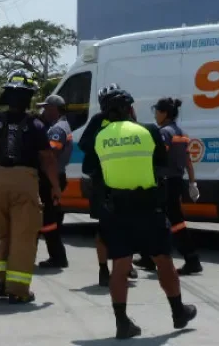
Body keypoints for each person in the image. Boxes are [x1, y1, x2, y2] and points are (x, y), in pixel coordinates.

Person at [94, 86, 198, 339]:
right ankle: (178, 312)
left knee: (120, 265)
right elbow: (162, 164)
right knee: (163, 259)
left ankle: (121, 322)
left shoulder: (101, 137)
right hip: (148, 207)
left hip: (117, 208)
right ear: (129, 108)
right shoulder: (149, 131)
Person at [0, 70, 63, 304]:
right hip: (25, 181)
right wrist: (55, 187)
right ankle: (18, 290)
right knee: (23, 236)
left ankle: (0, 283)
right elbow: (48, 159)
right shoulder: (36, 125)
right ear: (28, 99)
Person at [134, 97, 203, 275]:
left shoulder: (164, 133)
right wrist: (192, 182)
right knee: (165, 219)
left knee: (161, 219)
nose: (156, 115)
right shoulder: (182, 133)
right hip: (176, 181)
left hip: (164, 182)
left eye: (157, 111)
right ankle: (149, 258)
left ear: (164, 113)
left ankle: (191, 258)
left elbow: (157, 156)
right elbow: (188, 161)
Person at [78, 84, 138, 287]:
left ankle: (120, 267)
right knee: (115, 227)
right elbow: (84, 144)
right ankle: (108, 269)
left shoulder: (126, 121)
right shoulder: (102, 121)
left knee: (118, 227)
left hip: (115, 181)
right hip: (108, 181)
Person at [35, 94, 71, 268]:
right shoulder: (58, 126)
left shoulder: (57, 130)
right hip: (53, 177)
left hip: (52, 178)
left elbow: (50, 157)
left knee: (49, 220)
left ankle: (58, 257)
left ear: (54, 109)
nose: (44, 111)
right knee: (50, 219)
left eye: (46, 108)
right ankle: (57, 256)